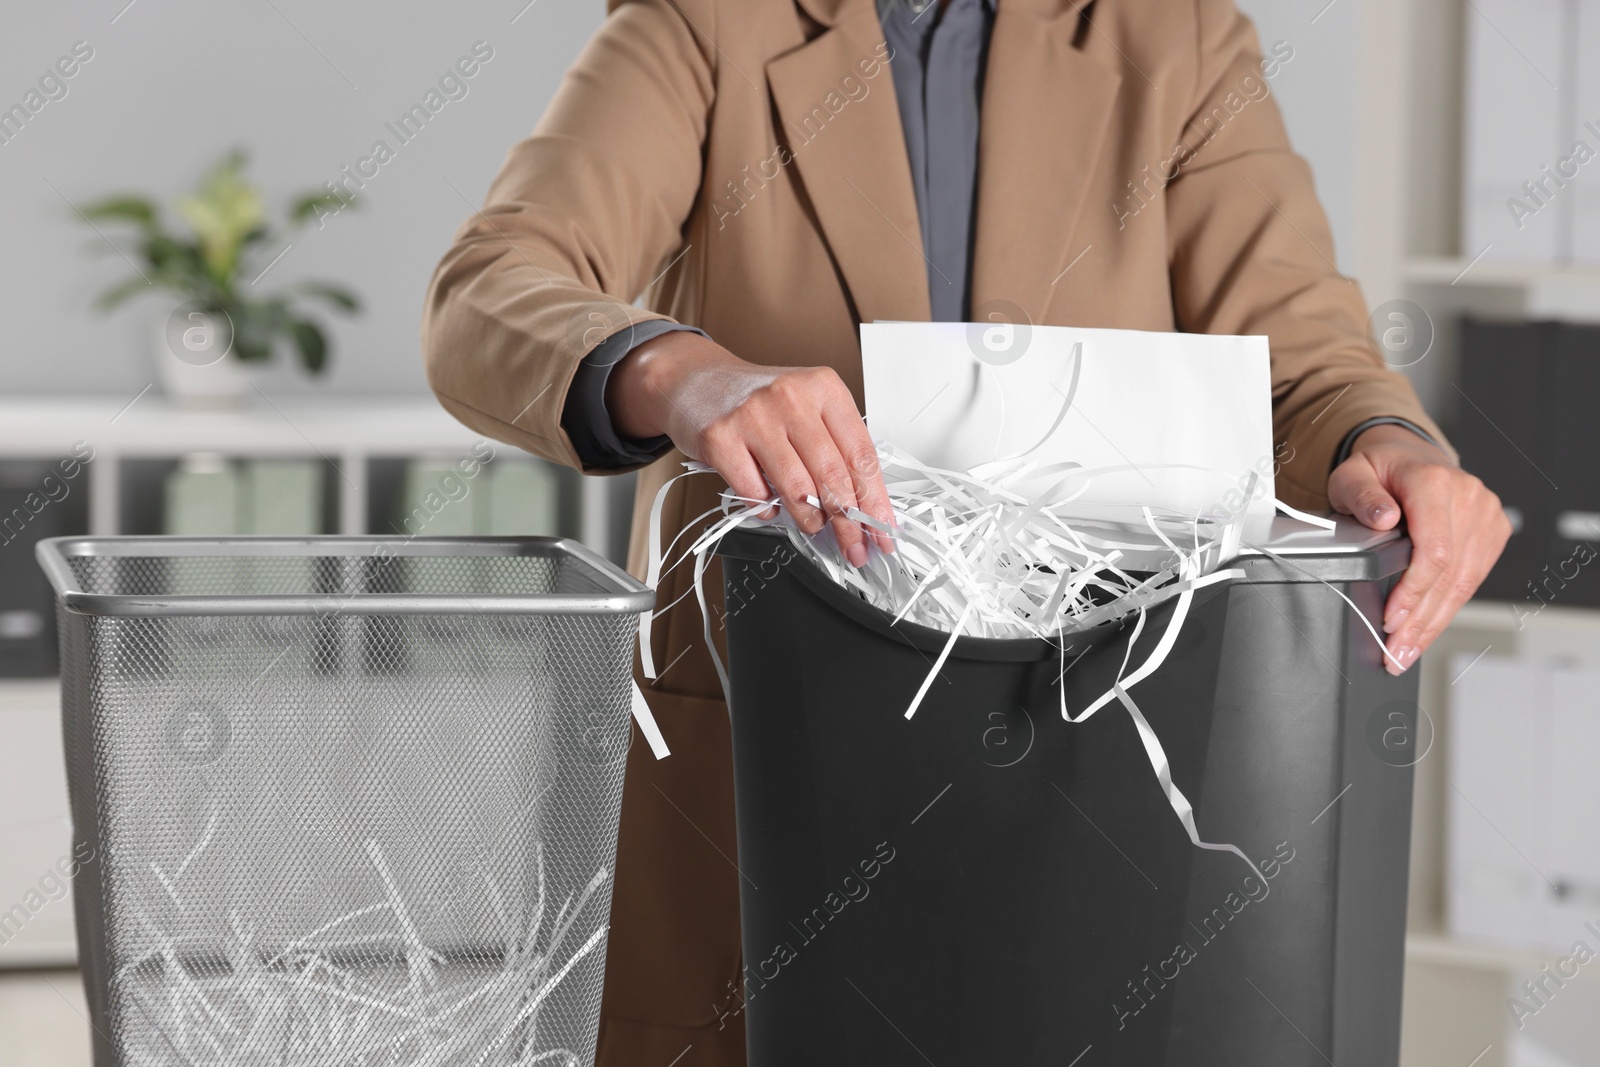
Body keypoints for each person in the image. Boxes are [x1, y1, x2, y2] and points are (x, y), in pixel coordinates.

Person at [421, 0, 1509, 1061]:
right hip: (777, 746)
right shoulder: (705, 22)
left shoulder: (1172, 34)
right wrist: (682, 374)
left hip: (1091, 734)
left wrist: (1388, 439)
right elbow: (489, 291)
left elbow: (1305, 361)